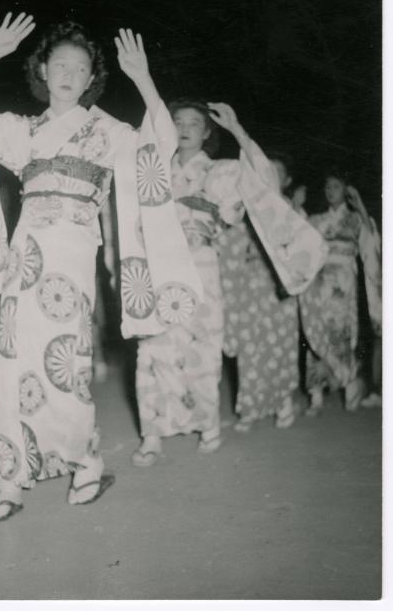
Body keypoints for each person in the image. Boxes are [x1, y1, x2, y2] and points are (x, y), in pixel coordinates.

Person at [0, 13, 202, 520]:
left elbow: (158, 144)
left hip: (72, 262)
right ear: (42, 70)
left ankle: (86, 464)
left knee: (65, 362)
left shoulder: (108, 132)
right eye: (60, 64)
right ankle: (10, 480)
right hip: (23, 260)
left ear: (90, 79)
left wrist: (142, 77)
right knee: (12, 366)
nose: (69, 74)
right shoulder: (21, 131)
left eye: (80, 68)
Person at [132, 100, 328, 464]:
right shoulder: (153, 168)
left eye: (195, 122)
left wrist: (238, 129)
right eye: (178, 121)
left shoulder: (223, 171)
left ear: (208, 132)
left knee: (201, 348)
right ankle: (152, 433)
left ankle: (208, 425)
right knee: (153, 348)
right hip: (158, 267)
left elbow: (267, 181)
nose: (186, 128)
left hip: (202, 264)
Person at [218, 154, 304, 432]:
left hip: (280, 289)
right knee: (250, 347)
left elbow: (304, 251)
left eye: (276, 174)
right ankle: (250, 407)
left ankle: (283, 403)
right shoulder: (249, 210)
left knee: (281, 346)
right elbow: (232, 244)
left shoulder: (291, 212)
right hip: (251, 288)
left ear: (286, 181)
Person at [302, 172, 381, 414]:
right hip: (319, 282)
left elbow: (371, 242)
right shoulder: (316, 219)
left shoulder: (356, 219)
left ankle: (349, 385)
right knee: (315, 334)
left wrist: (359, 205)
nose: (330, 190)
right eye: (327, 186)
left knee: (342, 335)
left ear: (346, 189)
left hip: (344, 283)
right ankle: (315, 395)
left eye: (335, 186)